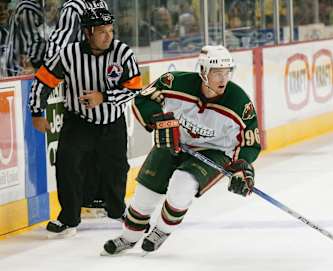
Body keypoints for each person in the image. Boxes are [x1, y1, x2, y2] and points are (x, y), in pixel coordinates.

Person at [102, 45, 261, 255]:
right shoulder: (175, 82)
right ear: (203, 71)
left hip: (214, 151)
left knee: (182, 183)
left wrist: (241, 166)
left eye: (226, 72)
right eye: (216, 72)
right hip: (174, 142)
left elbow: (250, 141)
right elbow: (143, 98)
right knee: (144, 194)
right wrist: (157, 121)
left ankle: (161, 231)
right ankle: (129, 237)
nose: (223, 79)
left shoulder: (239, 102)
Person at [29, 7, 142, 237]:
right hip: (78, 122)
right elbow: (43, 82)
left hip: (112, 122)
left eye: (110, 30)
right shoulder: (68, 54)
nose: (108, 36)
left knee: (116, 169)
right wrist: (36, 112)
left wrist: (104, 97)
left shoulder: (122, 53)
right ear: (88, 32)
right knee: (68, 166)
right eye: (102, 31)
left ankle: (117, 210)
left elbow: (134, 89)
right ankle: (68, 218)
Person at [45, 0, 109, 214]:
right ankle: (84, 198)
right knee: (77, 146)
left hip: (99, 79)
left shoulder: (100, 3)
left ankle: (95, 196)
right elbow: (58, 42)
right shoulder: (73, 7)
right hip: (80, 80)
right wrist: (54, 69)